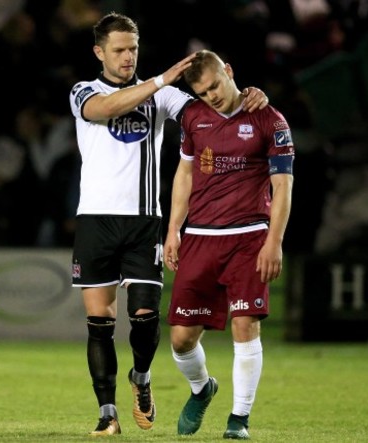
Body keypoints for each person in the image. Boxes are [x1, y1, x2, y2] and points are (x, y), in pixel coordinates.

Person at [68, 13, 270, 437]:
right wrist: (160, 80)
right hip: (95, 221)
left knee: (144, 318)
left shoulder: (163, 98)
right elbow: (105, 109)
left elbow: (212, 111)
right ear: (99, 52)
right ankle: (107, 414)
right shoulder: (85, 91)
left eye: (133, 49)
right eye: (119, 50)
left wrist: (249, 96)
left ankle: (141, 379)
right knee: (99, 322)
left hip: (145, 223)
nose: (127, 57)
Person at [164, 49, 295, 440]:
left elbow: (283, 185)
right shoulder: (192, 118)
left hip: (249, 237)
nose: (213, 96)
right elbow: (185, 174)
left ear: (230, 72)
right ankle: (202, 388)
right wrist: (173, 229)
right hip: (201, 237)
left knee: (245, 326)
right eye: (203, 93)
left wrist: (274, 241)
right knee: (181, 339)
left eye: (216, 86)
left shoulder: (269, 119)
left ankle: (239, 419)